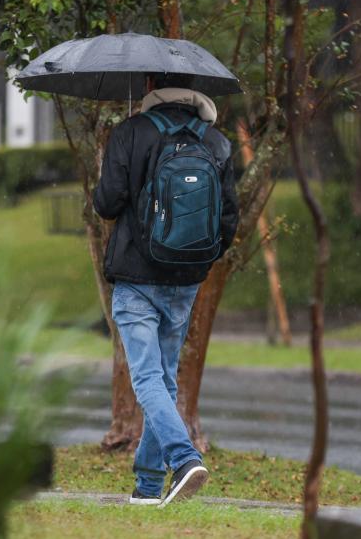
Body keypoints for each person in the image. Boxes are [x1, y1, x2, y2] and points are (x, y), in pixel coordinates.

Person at [92, 74, 240, 507]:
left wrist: (117, 156)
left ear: (153, 87)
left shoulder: (131, 132)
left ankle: (183, 457)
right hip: (186, 279)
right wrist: (195, 260)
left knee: (147, 378)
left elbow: (106, 203)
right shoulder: (215, 142)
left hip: (137, 278)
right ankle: (149, 487)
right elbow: (228, 220)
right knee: (165, 381)